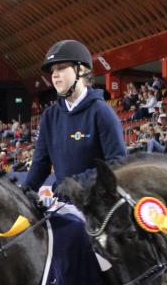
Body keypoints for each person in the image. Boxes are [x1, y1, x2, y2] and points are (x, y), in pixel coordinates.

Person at [24, 40, 127, 190]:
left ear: (80, 70)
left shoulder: (102, 112)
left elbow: (117, 164)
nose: (55, 75)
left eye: (61, 68)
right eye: (53, 71)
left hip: (96, 203)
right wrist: (22, 193)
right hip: (62, 201)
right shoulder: (49, 116)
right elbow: (41, 163)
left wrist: (76, 183)